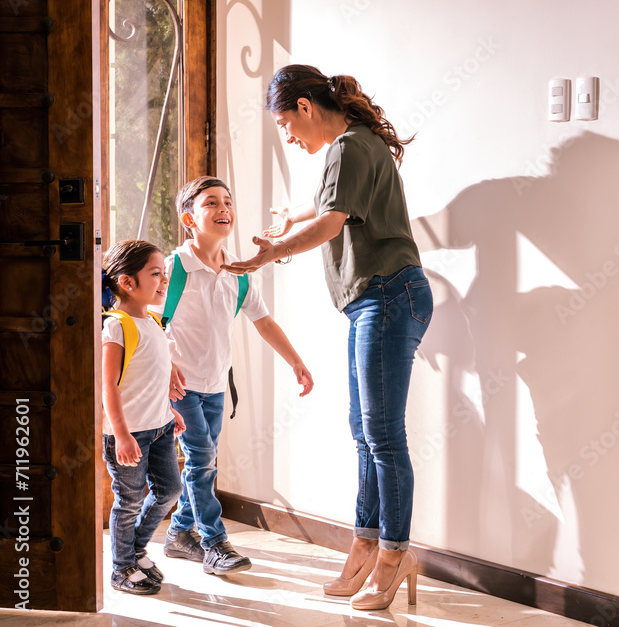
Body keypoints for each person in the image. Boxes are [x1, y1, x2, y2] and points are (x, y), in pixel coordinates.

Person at [223, 65, 433, 610]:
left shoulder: (349, 147)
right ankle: (367, 543)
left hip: (388, 295)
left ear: (304, 107)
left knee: (382, 435)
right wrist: (287, 219)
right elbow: (327, 206)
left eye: (286, 125)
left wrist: (274, 250)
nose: (289, 137)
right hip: (377, 298)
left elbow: (331, 222)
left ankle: (393, 553)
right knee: (364, 431)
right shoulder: (356, 146)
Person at [156, 175, 315, 575]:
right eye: (211, 203)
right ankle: (214, 542)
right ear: (189, 219)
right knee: (202, 459)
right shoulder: (174, 267)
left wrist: (295, 360)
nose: (223, 209)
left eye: (227, 201)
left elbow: (264, 323)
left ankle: (178, 533)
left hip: (214, 386)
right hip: (180, 386)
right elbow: (146, 321)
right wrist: (166, 364)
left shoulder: (239, 272)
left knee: (202, 462)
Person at [101, 239, 185, 595]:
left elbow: (151, 377)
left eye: (163, 274)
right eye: (155, 274)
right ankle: (121, 569)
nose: (163, 280)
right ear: (127, 282)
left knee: (170, 491)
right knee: (130, 499)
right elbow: (109, 386)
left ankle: (135, 549)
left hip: (161, 428)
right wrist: (121, 434)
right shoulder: (116, 326)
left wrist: (170, 412)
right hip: (129, 433)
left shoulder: (152, 320)